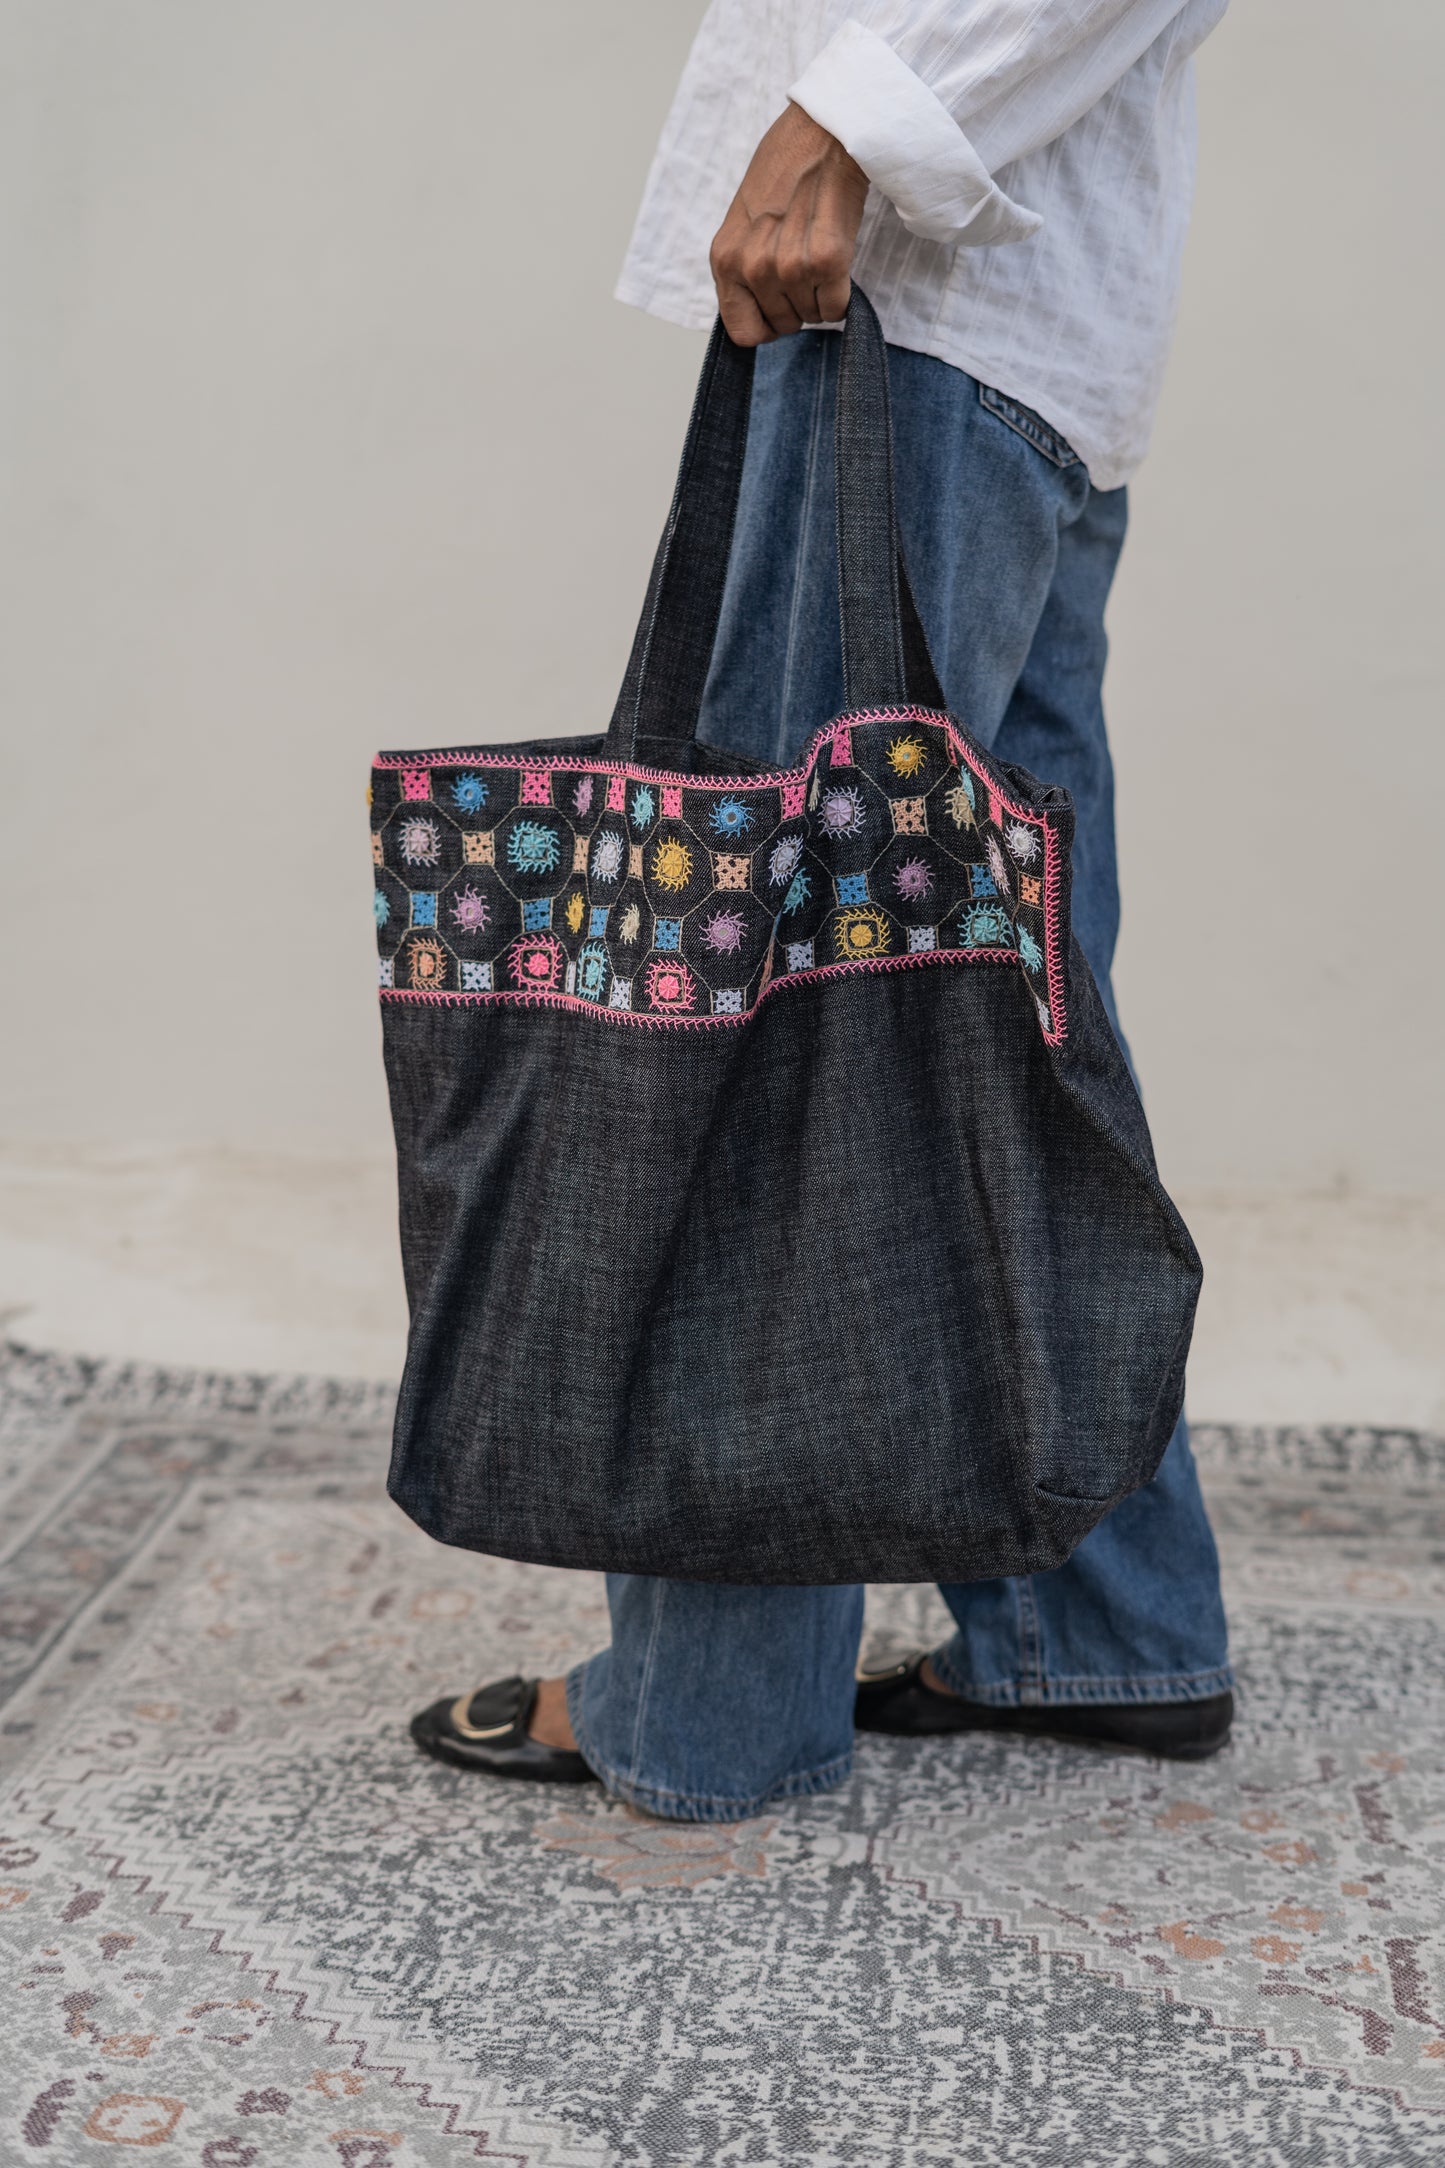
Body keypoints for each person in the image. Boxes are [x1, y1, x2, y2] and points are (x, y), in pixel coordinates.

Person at [411, 0, 1234, 1820]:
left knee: (765, 1006)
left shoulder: (872, 188)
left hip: (924, 308)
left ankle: (707, 1705)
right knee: (996, 1001)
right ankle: (1100, 1619)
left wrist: (841, 124)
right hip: (1018, 335)